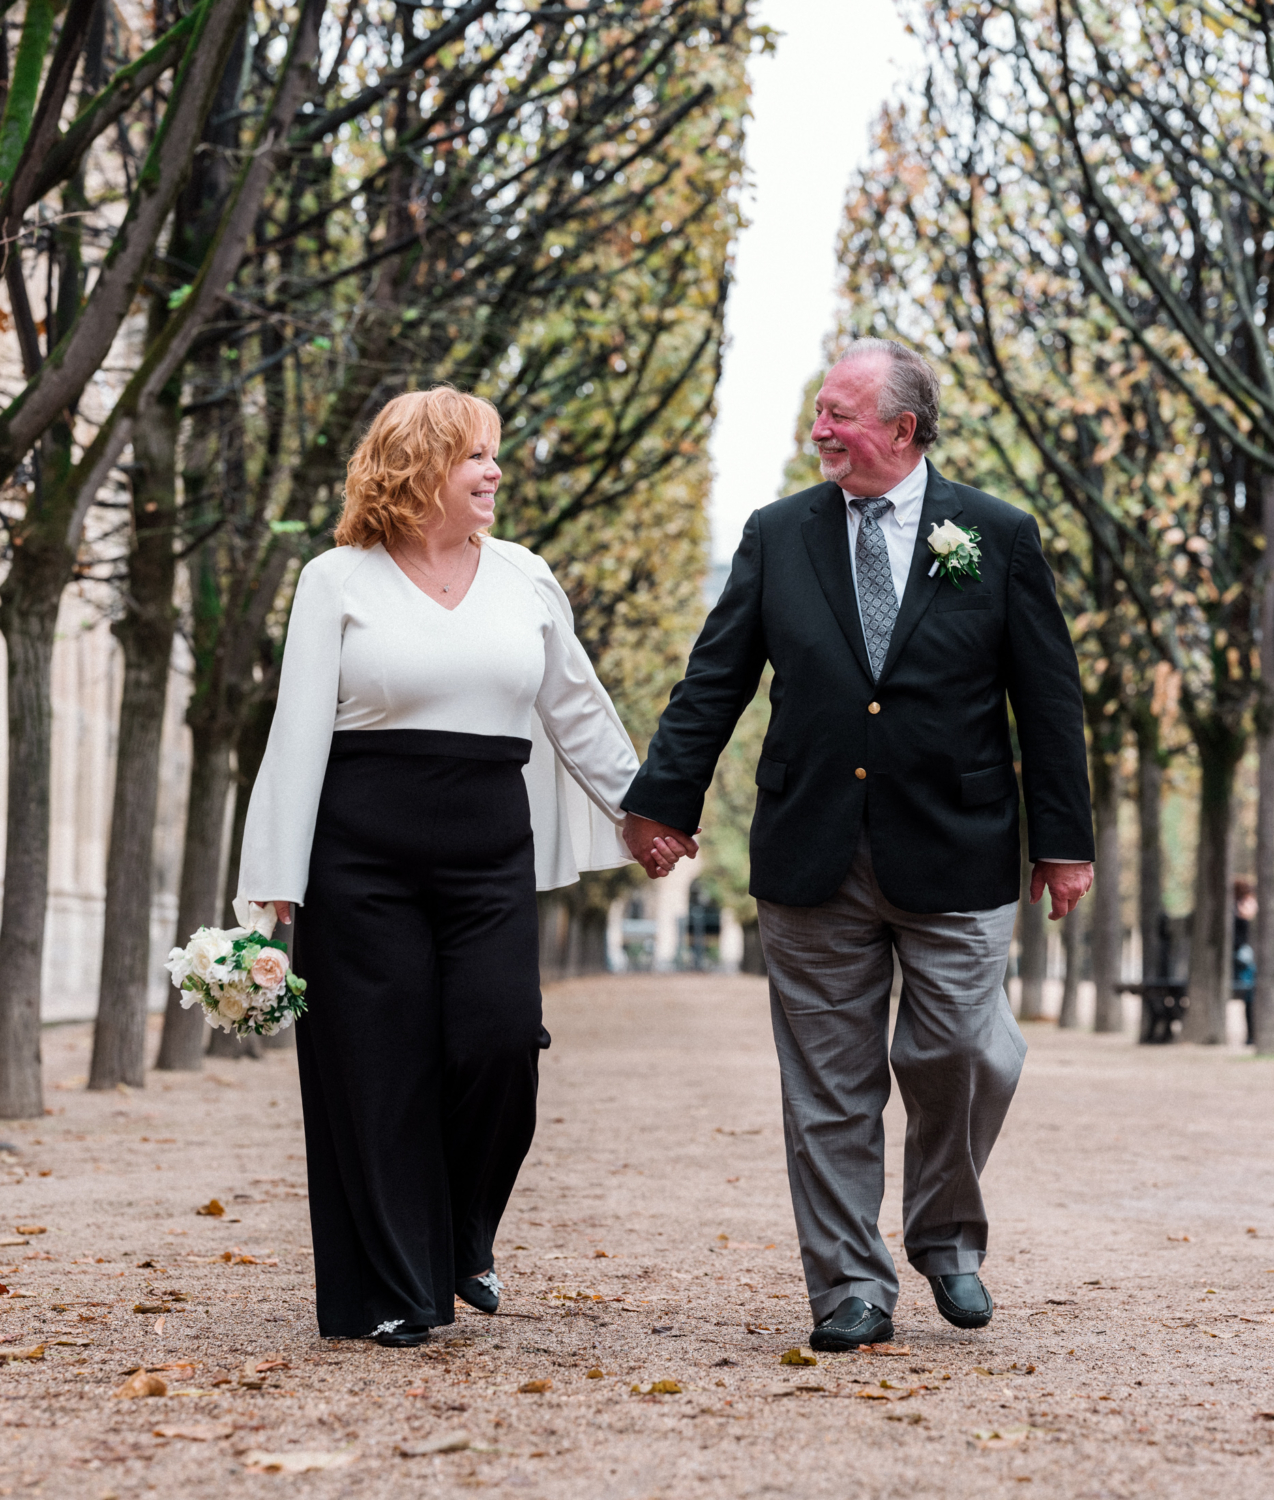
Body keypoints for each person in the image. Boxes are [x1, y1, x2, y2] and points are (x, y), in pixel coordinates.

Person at [623, 340, 1094, 1350]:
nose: (820, 431)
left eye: (839, 414)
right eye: (818, 414)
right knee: (827, 1088)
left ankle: (944, 1236)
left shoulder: (997, 535)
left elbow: (1047, 703)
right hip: (810, 848)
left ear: (901, 431)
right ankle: (847, 1285)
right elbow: (715, 680)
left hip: (959, 847)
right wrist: (662, 801)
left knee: (968, 1052)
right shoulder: (776, 534)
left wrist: (1063, 842)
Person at [237, 387, 655, 1346]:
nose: (494, 471)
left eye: (494, 454)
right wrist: (274, 886)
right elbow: (296, 733)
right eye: (475, 455)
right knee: (376, 1073)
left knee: (500, 1044)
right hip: (359, 857)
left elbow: (578, 709)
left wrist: (643, 816)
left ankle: (465, 1230)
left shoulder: (524, 577)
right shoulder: (335, 580)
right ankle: (398, 1293)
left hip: (486, 853)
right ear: (420, 467)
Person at [1233, 878, 1258, 1045]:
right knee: (1250, 993)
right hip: (1240, 964)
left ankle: (1251, 1034)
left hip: (1241, 963)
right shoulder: (1237, 912)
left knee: (1251, 994)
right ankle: (1251, 1034)